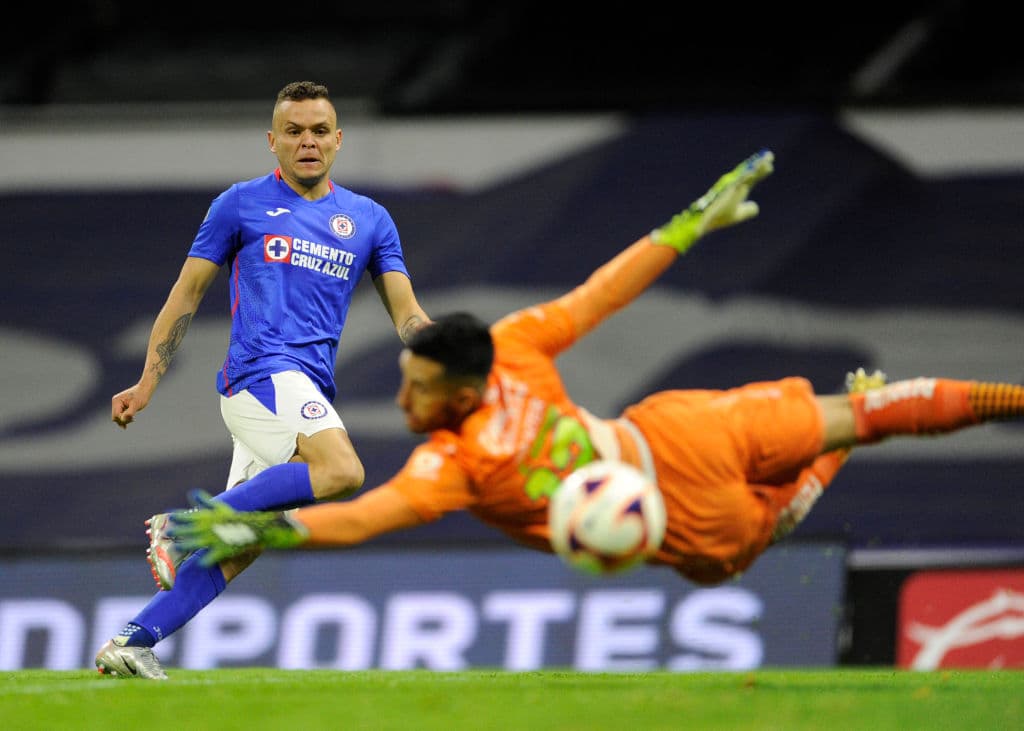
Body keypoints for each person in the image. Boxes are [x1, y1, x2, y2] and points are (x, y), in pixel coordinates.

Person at [155, 150, 1024, 678]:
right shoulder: (516, 346)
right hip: (675, 450)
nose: (400, 398)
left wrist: (267, 532)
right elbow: (600, 294)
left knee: (810, 475)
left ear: (455, 391)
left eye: (415, 386)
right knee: (836, 442)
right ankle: (848, 439)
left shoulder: (453, 463)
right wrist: (686, 228)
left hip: (676, 484)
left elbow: (363, 516)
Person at [94, 80, 431, 679]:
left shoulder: (370, 220)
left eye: (319, 131)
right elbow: (186, 296)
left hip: (305, 386)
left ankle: (131, 640)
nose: (308, 141)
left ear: (338, 140)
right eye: (294, 132)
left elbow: (406, 313)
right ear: (272, 142)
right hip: (261, 373)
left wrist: (446, 355)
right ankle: (178, 526)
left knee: (244, 541)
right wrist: (147, 381)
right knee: (343, 470)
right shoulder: (240, 204)